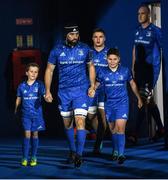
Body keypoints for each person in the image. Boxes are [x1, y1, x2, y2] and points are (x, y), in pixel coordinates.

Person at [44, 24, 95, 168]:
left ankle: (79, 155)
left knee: (80, 122)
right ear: (66, 35)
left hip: (81, 91)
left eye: (77, 34)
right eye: (72, 35)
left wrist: (91, 85)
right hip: (64, 92)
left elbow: (91, 66)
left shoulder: (85, 48)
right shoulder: (56, 50)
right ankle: (72, 151)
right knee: (67, 124)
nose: (75, 37)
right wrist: (47, 91)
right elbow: (49, 70)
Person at [97, 48, 143, 164]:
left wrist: (138, 98)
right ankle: (115, 150)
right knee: (113, 130)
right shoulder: (102, 72)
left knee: (120, 128)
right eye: (110, 59)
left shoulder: (125, 71)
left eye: (115, 59)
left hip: (122, 103)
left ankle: (121, 154)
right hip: (109, 104)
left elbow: (132, 84)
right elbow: (96, 85)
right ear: (106, 59)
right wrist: (91, 90)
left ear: (119, 59)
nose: (112, 61)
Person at [130, 4, 164, 143]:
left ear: (148, 15)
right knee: (149, 101)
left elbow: (162, 49)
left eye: (142, 13)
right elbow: (134, 49)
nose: (140, 16)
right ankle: (161, 129)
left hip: (149, 70)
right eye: (138, 14)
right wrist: (133, 67)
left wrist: (157, 69)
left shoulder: (156, 31)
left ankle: (135, 134)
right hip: (139, 71)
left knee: (142, 100)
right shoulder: (137, 31)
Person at [15, 63, 45, 166]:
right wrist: (16, 108)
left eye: (36, 72)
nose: (33, 73)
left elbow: (45, 94)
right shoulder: (21, 86)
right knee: (27, 134)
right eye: (31, 71)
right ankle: (24, 157)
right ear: (27, 72)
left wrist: (47, 96)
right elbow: (18, 98)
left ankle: (33, 157)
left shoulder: (40, 84)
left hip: (37, 115)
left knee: (35, 134)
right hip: (25, 115)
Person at [87, 28, 108, 154]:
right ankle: (99, 136)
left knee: (102, 117)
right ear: (92, 39)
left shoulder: (109, 53)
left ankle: (98, 143)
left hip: (105, 90)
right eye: (95, 37)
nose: (98, 39)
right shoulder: (88, 53)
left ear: (104, 38)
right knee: (91, 116)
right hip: (91, 89)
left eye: (101, 36)